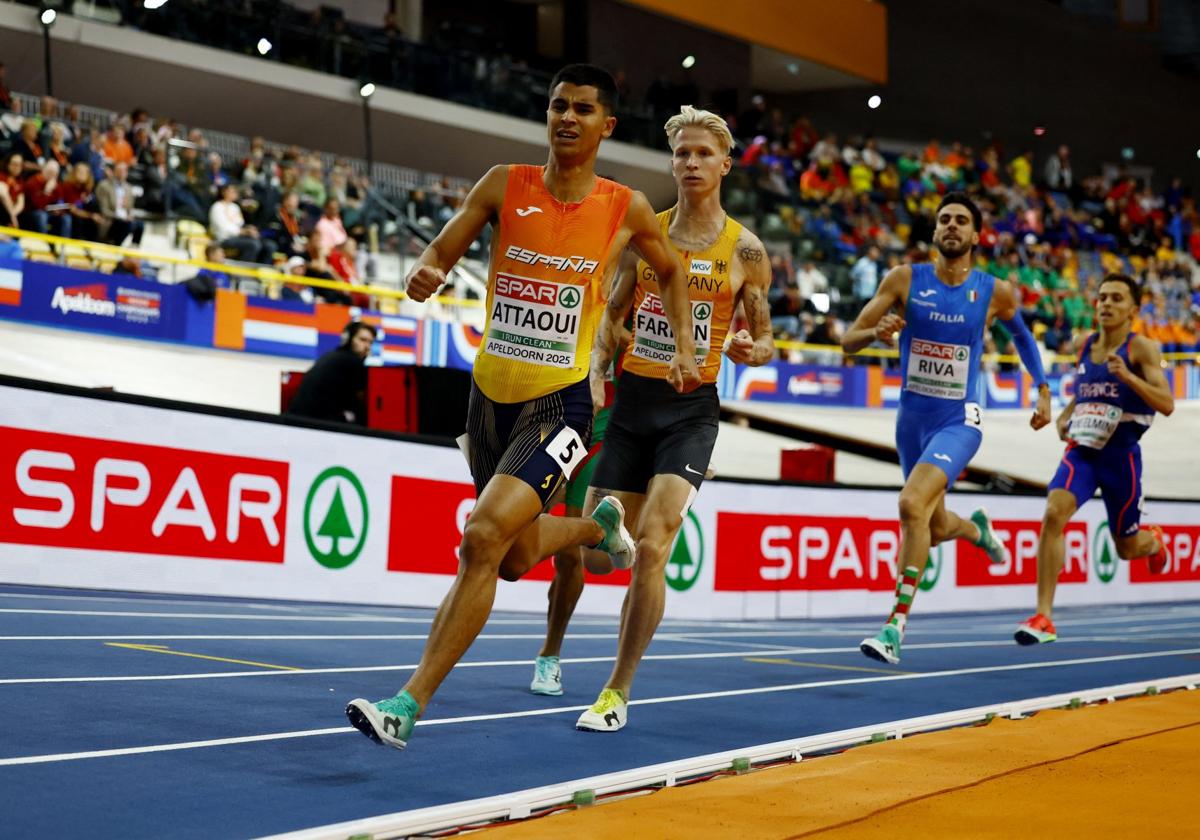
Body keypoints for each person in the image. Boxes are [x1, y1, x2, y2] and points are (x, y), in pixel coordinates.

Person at [345, 64, 702, 751]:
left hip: (559, 404)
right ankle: (597, 529)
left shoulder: (624, 206)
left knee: (480, 538)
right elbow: (445, 245)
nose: (568, 117)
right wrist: (429, 267)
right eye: (558, 106)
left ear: (607, 125)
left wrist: (682, 345)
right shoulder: (505, 184)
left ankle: (406, 705)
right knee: (508, 559)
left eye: (583, 109)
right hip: (488, 402)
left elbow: (671, 270)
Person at [534, 105, 776, 731]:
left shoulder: (747, 250)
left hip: (691, 415)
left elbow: (767, 337)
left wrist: (753, 348)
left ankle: (616, 692)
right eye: (682, 154)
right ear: (672, 162)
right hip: (631, 407)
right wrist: (595, 370)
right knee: (595, 557)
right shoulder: (646, 233)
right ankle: (603, 536)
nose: (691, 163)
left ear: (725, 165)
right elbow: (614, 316)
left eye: (703, 154)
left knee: (653, 547)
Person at [842, 191, 1052, 665]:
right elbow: (847, 342)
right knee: (931, 526)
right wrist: (875, 334)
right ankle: (976, 531)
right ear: (935, 233)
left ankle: (894, 627)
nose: (951, 226)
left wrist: (1042, 389)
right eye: (944, 220)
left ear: (976, 235)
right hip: (910, 422)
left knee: (910, 503)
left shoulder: (993, 291)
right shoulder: (903, 279)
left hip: (959, 421)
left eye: (961, 220)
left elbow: (1023, 339)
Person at [1016, 274, 1174, 645]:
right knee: (1054, 513)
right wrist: (1063, 415)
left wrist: (1130, 378)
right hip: (1083, 452)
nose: (1105, 304)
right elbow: (1088, 390)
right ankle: (1044, 617)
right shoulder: (1083, 345)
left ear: (1133, 310)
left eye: (1116, 298)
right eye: (1102, 297)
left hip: (1121, 459)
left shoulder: (1142, 350)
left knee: (1126, 548)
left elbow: (1166, 404)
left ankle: (1154, 540)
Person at [285, 321, 376, 424]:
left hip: (295, 420)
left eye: (370, 342)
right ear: (347, 339)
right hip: (315, 424)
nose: (367, 346)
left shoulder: (330, 356)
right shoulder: (354, 362)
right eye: (362, 340)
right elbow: (362, 405)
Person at [95, 161, 145, 246]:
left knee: (140, 225)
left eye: (124, 171)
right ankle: (115, 246)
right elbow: (104, 210)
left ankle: (133, 251)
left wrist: (129, 215)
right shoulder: (104, 186)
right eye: (119, 170)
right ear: (114, 171)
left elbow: (130, 209)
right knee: (124, 223)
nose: (122, 173)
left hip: (124, 219)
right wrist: (121, 217)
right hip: (110, 220)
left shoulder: (128, 188)